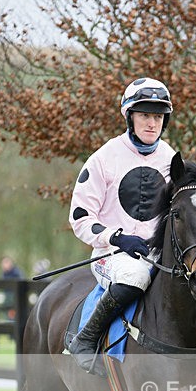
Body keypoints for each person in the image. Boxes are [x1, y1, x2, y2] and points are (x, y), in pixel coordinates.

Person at [67, 77, 176, 375]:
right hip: (113, 257)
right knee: (136, 274)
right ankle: (85, 340)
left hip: (158, 255)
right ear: (129, 116)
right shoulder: (103, 159)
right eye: (145, 115)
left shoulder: (171, 160)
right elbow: (79, 218)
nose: (152, 123)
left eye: (158, 116)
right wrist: (117, 238)